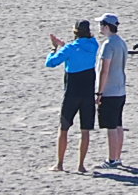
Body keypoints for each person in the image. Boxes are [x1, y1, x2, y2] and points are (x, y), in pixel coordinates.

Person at [45, 19, 98, 173]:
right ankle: (81, 165)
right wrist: (63, 46)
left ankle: (60, 164)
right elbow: (79, 49)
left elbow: (51, 63)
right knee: (85, 131)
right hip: (87, 95)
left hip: (72, 94)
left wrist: (54, 48)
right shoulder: (94, 45)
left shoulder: (69, 49)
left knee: (64, 129)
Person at [96, 13, 130, 167]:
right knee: (118, 124)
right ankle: (117, 157)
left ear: (106, 26)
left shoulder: (108, 44)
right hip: (120, 90)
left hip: (110, 91)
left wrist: (99, 92)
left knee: (111, 126)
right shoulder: (121, 42)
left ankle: (112, 159)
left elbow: (105, 70)